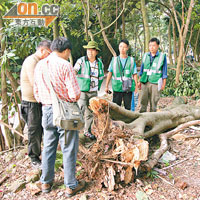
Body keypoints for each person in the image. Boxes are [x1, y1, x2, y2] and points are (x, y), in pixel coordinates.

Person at [34, 37, 85, 197]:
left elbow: (36, 93)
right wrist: (65, 99)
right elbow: (75, 94)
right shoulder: (65, 65)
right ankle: (70, 185)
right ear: (67, 51)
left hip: (47, 111)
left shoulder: (40, 65)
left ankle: (46, 182)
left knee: (48, 146)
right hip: (64, 113)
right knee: (68, 147)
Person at [20, 40, 51, 168]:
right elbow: (35, 82)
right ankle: (33, 157)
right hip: (31, 102)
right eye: (48, 53)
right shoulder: (31, 61)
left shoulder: (41, 61)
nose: (49, 55)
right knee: (34, 130)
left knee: (42, 128)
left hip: (39, 101)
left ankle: (42, 153)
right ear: (42, 50)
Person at [74, 41, 104, 140]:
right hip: (82, 91)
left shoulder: (99, 63)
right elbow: (74, 71)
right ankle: (75, 132)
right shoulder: (81, 61)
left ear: (96, 52)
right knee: (80, 110)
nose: (90, 52)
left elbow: (101, 76)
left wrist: (98, 88)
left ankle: (87, 131)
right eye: (88, 50)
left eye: (92, 50)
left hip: (93, 91)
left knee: (90, 113)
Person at [105, 39, 138, 110]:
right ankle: (115, 121)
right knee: (116, 108)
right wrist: (106, 86)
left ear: (127, 48)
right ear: (118, 47)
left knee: (128, 108)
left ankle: (128, 121)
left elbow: (134, 74)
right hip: (117, 87)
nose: (122, 49)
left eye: (124, 47)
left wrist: (136, 86)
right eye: (120, 46)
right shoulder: (114, 60)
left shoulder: (131, 60)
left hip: (128, 88)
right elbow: (110, 73)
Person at [138, 37, 168, 113]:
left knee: (154, 102)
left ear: (158, 46)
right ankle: (142, 117)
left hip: (155, 82)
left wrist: (163, 84)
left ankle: (152, 118)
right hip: (145, 81)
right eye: (150, 45)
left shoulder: (162, 56)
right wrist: (139, 81)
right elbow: (142, 70)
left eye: (153, 45)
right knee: (143, 100)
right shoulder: (145, 55)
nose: (151, 47)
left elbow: (164, 72)